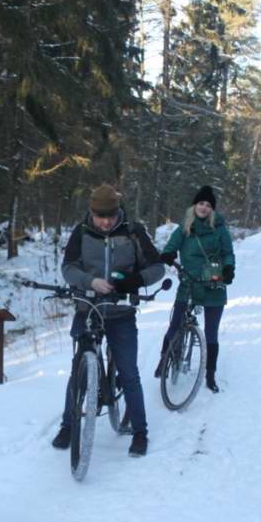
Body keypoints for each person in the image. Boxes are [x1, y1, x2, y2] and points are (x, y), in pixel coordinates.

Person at [51, 184, 165, 457]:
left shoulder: (134, 232)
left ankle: (140, 432)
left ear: (118, 212)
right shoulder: (81, 232)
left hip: (121, 313)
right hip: (87, 309)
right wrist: (89, 281)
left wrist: (135, 280)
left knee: (129, 374)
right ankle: (68, 425)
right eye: (100, 216)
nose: (105, 221)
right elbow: (68, 268)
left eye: (110, 216)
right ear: (92, 212)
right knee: (78, 367)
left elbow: (157, 267)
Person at [155, 186, 235, 393]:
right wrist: (168, 255)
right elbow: (172, 245)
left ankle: (210, 375)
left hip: (213, 283)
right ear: (195, 205)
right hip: (189, 282)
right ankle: (164, 361)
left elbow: (228, 252)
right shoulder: (185, 227)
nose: (204, 207)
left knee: (211, 334)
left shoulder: (220, 228)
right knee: (174, 325)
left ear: (212, 209)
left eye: (208, 205)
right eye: (201, 203)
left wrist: (229, 268)